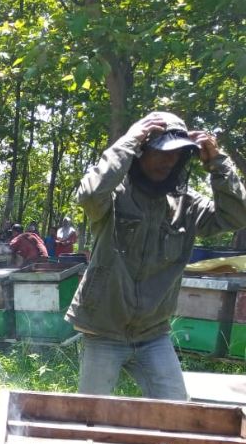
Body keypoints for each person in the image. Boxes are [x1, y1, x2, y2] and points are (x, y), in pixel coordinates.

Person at [68, 111, 246, 399]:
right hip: (103, 331)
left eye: (176, 154)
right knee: (91, 415)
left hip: (153, 335)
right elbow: (88, 195)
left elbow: (237, 216)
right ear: (140, 152)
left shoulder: (187, 206)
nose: (168, 160)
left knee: (175, 413)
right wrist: (127, 141)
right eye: (160, 152)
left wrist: (218, 162)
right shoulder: (114, 195)